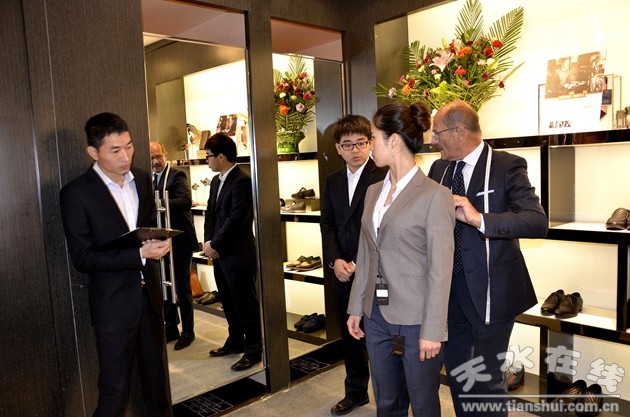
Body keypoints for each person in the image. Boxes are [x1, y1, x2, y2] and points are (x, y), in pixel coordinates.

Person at [427, 100, 548, 417]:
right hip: (449, 290)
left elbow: (537, 221)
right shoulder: (439, 169)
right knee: (458, 371)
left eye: (437, 133)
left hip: (493, 289)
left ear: (458, 131)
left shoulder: (508, 165)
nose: (433, 140)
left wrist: (479, 219)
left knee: (488, 378)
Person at [59, 112, 172, 417]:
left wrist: (159, 241)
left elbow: (145, 226)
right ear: (93, 152)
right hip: (112, 306)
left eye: (129, 146)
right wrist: (139, 255)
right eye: (115, 150)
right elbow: (83, 258)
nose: (126, 157)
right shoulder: (76, 193)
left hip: (149, 300)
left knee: (158, 386)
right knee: (114, 393)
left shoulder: (143, 179)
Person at [347, 103, 455, 417]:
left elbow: (441, 269)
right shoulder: (373, 191)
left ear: (393, 141)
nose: (369, 145)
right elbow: (366, 252)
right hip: (376, 315)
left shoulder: (435, 195)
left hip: (416, 319)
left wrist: (433, 330)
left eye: (372, 138)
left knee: (422, 402)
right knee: (387, 399)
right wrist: (356, 306)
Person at [320, 115, 387, 415]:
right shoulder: (332, 180)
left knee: (380, 335)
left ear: (370, 143)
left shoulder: (383, 175)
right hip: (342, 271)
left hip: (374, 268)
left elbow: (382, 226)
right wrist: (335, 260)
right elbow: (327, 224)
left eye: (361, 143)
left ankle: (390, 397)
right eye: (347, 145)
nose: (355, 150)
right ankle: (356, 392)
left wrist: (358, 262)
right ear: (338, 148)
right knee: (349, 336)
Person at [202, 132, 262, 371]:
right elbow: (210, 214)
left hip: (238, 254)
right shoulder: (216, 181)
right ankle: (235, 340)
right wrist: (208, 242)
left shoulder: (242, 181)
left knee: (245, 304)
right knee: (227, 301)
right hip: (220, 252)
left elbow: (237, 220)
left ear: (221, 156)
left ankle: (254, 349)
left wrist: (215, 244)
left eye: (209, 156)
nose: (207, 160)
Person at [150, 141, 198, 350]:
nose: (155, 161)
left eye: (158, 156)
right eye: (151, 158)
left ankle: (188, 331)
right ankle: (171, 327)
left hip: (180, 241)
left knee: (182, 286)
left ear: (165, 154)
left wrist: (157, 201)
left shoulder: (177, 176)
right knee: (164, 284)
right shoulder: (150, 179)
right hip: (161, 241)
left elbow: (185, 201)